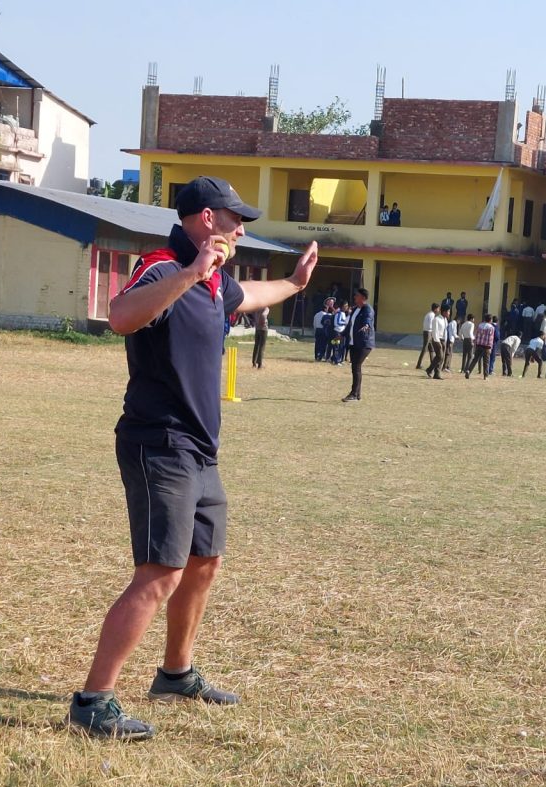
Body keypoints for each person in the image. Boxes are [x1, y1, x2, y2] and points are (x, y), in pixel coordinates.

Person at [64, 175, 318, 739]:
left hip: (201, 450)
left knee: (204, 561)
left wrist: (295, 283)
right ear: (207, 219)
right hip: (160, 442)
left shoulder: (217, 281)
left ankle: (175, 674)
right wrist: (190, 272)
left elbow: (250, 295)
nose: (241, 229)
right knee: (160, 572)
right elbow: (121, 316)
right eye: (235, 219)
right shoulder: (163, 266)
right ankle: (92, 701)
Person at [342, 288, 375, 401]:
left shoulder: (367, 309)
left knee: (356, 366)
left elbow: (368, 319)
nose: (355, 297)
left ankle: (354, 394)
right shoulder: (355, 309)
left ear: (363, 297)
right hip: (353, 342)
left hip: (364, 343)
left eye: (357, 295)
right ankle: (357, 394)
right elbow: (350, 325)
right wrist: (342, 334)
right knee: (355, 367)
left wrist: (366, 325)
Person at [464, 314, 495, 380]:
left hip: (479, 345)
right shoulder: (491, 327)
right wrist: (490, 347)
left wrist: (475, 344)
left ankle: (468, 371)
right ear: (490, 320)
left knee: (475, 359)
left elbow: (477, 335)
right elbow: (491, 338)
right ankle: (485, 376)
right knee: (486, 361)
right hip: (486, 346)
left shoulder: (480, 325)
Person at [426, 306, 448, 379]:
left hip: (443, 340)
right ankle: (429, 369)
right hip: (437, 340)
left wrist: (445, 340)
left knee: (442, 357)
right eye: (448, 311)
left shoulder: (445, 320)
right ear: (444, 312)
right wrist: (438, 342)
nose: (449, 313)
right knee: (440, 356)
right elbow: (435, 331)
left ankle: (436, 374)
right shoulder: (436, 319)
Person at [417, 303, 438, 369]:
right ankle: (418, 364)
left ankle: (432, 364)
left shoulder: (429, 314)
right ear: (435, 309)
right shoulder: (432, 315)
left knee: (431, 349)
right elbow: (431, 325)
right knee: (425, 348)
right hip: (428, 332)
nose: (438, 310)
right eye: (438, 309)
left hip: (427, 332)